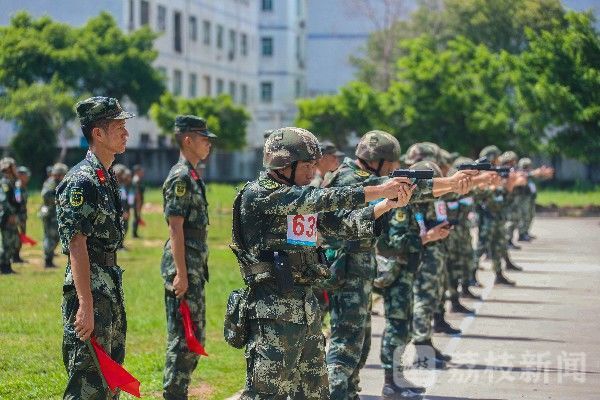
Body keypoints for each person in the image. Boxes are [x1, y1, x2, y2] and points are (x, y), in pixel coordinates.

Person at [233, 127, 415, 400]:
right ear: (284, 164)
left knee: (315, 393)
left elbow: (340, 224)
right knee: (267, 394)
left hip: (305, 310)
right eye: (307, 165)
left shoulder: (295, 198)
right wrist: (379, 189)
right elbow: (321, 200)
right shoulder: (262, 194)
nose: (313, 172)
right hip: (272, 313)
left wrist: (386, 204)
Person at [57, 96, 134, 398]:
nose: (126, 133)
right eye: (118, 127)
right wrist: (85, 305)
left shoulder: (105, 177)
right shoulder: (82, 181)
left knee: (108, 378)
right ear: (98, 134)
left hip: (107, 284)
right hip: (90, 289)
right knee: (87, 381)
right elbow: (77, 245)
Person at [160, 115, 216, 400]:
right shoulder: (181, 177)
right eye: (203, 138)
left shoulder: (192, 174)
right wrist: (180, 273)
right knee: (183, 339)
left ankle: (177, 392)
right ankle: (174, 394)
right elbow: (176, 226)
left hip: (193, 267)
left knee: (195, 336)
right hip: (183, 268)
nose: (208, 143)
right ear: (187, 139)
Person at [40, 163, 68, 268]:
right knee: (50, 238)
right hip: (50, 215)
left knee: (56, 237)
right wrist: (58, 200)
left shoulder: (60, 183)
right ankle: (48, 261)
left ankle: (50, 258)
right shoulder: (51, 182)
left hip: (56, 215)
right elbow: (45, 195)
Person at [0, 158, 21, 275]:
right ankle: (4, 267)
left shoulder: (12, 182)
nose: (15, 168)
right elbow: (4, 201)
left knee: (12, 242)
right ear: (8, 167)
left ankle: (7, 266)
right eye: (13, 166)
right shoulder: (4, 182)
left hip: (12, 215)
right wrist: (11, 214)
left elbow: (17, 199)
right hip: (7, 217)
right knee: (7, 242)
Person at [131, 165, 145, 238]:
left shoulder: (137, 179)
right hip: (137, 201)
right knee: (136, 216)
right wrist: (138, 203)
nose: (142, 172)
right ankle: (134, 234)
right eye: (140, 171)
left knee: (137, 216)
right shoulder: (136, 180)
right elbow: (137, 193)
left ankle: (135, 233)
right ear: (137, 172)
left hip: (138, 201)